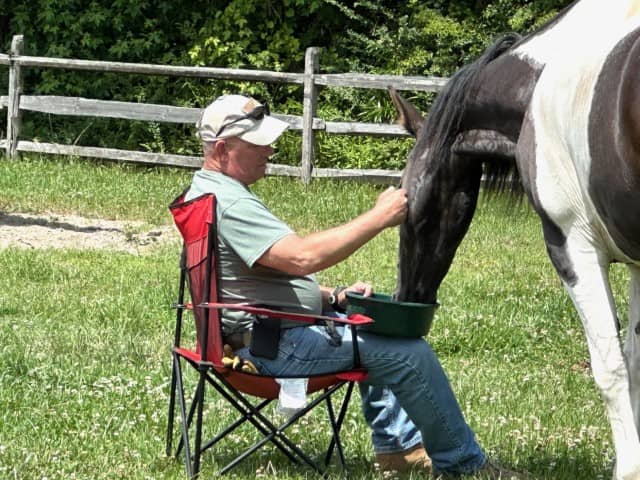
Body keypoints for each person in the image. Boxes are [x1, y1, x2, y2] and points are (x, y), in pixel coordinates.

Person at [185, 94, 524, 479]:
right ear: (221, 148)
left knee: (367, 319)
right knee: (409, 354)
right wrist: (379, 218)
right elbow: (301, 258)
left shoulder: (206, 191)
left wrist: (331, 296)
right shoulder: (231, 204)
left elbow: (251, 276)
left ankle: (400, 448)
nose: (271, 148)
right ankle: (465, 466)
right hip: (274, 348)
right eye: (259, 142)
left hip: (263, 332)